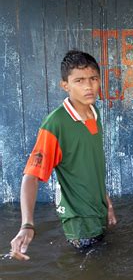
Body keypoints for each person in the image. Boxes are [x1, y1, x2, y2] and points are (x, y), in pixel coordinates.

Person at [9, 50, 117, 260]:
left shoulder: (95, 112)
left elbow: (90, 165)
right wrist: (27, 225)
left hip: (98, 211)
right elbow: (30, 176)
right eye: (79, 80)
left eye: (93, 78)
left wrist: (107, 203)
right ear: (65, 85)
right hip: (79, 221)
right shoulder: (56, 124)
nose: (88, 86)